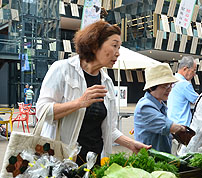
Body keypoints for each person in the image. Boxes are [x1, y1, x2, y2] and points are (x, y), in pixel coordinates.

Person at [36, 20, 150, 166]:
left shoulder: (106, 81)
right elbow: (41, 111)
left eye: (119, 47)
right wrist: (79, 102)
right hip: (61, 161)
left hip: (93, 163)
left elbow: (109, 128)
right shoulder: (62, 69)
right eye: (114, 45)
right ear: (95, 44)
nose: (118, 53)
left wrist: (130, 144)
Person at [134, 63, 186, 153]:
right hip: (149, 162)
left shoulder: (161, 105)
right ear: (151, 87)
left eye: (171, 85)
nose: (169, 89)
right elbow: (169, 127)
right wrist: (183, 129)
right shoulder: (145, 106)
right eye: (165, 85)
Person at [167, 56, 199, 127]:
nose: (194, 74)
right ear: (185, 69)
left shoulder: (172, 81)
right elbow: (199, 101)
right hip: (182, 126)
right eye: (193, 71)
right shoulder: (184, 84)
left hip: (171, 123)